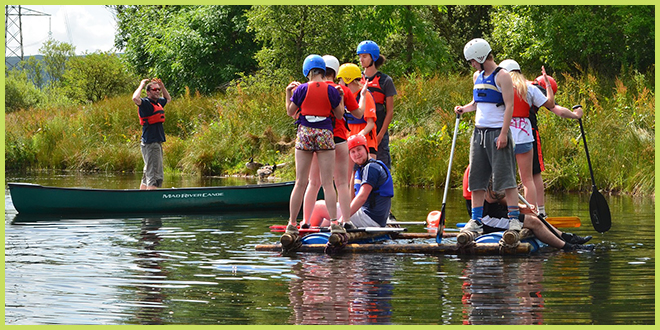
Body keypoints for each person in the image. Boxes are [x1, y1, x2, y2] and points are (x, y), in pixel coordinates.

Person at [454, 38, 520, 235]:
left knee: (506, 178)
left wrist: (503, 134)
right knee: (476, 177)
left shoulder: (503, 76)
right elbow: (476, 103)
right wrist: (463, 109)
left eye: (473, 60)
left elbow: (510, 106)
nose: (472, 65)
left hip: (497, 133)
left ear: (482, 57)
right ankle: (476, 220)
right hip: (479, 133)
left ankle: (514, 220)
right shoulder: (477, 76)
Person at [281, 54, 345, 250]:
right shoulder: (332, 90)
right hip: (325, 134)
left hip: (305, 134)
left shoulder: (300, 89)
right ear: (323, 71)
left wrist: (287, 93)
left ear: (307, 71)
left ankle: (292, 224)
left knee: (301, 182)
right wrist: (340, 97)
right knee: (328, 183)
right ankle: (335, 223)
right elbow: (340, 114)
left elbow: (291, 112)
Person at [300, 55, 363, 230]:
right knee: (341, 183)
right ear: (335, 72)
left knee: (313, 182)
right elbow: (358, 114)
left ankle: (306, 221)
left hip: (317, 142)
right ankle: (345, 221)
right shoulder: (340, 89)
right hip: (340, 139)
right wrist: (364, 97)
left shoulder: (309, 88)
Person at [478, 180, 594, 251]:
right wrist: (508, 188)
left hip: (498, 212)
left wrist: (520, 207)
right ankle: (568, 247)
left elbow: (501, 197)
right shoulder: (479, 170)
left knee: (534, 216)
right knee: (534, 222)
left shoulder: (493, 165)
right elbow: (490, 197)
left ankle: (567, 237)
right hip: (488, 218)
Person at [307, 135, 393, 228]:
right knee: (327, 220)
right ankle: (318, 232)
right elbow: (353, 199)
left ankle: (307, 233)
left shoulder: (371, 168)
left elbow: (362, 197)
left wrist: (342, 219)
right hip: (371, 217)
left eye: (359, 149)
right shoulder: (362, 169)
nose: (357, 154)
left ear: (366, 149)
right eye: (353, 152)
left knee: (318, 207)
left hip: (369, 218)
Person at [529, 74, 583, 218]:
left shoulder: (519, 85)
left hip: (506, 133)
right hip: (529, 134)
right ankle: (540, 211)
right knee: (535, 174)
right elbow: (556, 109)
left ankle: (514, 211)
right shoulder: (537, 89)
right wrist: (575, 115)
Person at [357, 40, 397, 169]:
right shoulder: (357, 79)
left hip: (379, 129)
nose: (361, 60)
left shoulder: (385, 80)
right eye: (359, 57)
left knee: (381, 168)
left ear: (373, 57)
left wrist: (380, 135)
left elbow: (390, 111)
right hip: (361, 129)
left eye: (364, 56)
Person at [132, 78, 171, 190]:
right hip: (151, 143)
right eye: (154, 89)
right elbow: (135, 98)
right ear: (148, 92)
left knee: (147, 173)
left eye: (158, 89)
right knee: (154, 174)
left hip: (154, 142)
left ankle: (141, 198)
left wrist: (162, 86)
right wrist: (141, 84)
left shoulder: (158, 103)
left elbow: (168, 99)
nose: (157, 91)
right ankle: (151, 202)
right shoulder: (146, 103)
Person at [338, 63, 379, 161]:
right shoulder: (345, 96)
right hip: (349, 139)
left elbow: (370, 123)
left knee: (366, 172)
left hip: (366, 140)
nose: (339, 83)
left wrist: (359, 135)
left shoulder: (365, 95)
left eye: (340, 80)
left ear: (348, 80)